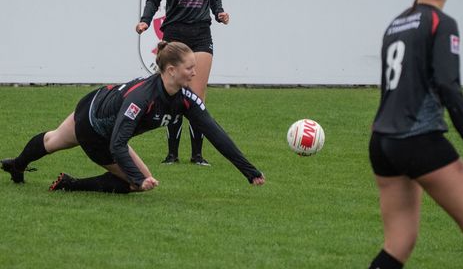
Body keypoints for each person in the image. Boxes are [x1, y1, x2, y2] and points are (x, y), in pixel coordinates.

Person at [368, 0, 463, 269]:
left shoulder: (396, 24)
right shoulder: (442, 23)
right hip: (419, 138)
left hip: (382, 141)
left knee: (398, 243)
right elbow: (448, 84)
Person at [1, 41, 265, 193]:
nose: (195, 74)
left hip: (95, 102)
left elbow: (215, 132)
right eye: (190, 68)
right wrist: (138, 179)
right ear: (171, 70)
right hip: (96, 131)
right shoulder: (143, 99)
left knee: (52, 140)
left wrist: (249, 172)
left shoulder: (185, 98)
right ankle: (71, 185)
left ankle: (17, 165)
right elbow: (117, 143)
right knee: (138, 183)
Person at [136, 0, 229, 167]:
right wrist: (145, 21)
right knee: (174, 95)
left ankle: (197, 155)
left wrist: (219, 13)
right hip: (174, 36)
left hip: (201, 36)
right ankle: (171, 155)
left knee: (197, 97)